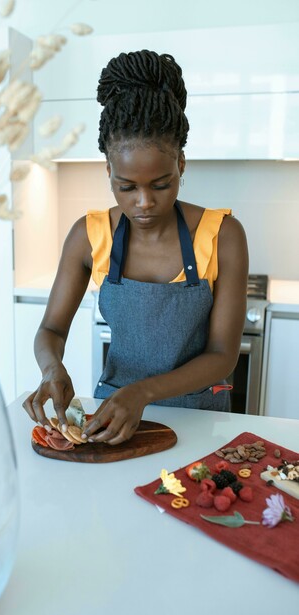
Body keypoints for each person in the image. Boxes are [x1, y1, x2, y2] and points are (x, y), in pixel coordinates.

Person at [24, 50, 248, 445]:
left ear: (181, 163)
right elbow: (52, 329)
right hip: (114, 420)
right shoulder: (89, 235)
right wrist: (50, 369)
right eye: (127, 187)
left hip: (199, 419)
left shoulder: (222, 235)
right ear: (109, 171)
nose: (144, 202)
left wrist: (142, 392)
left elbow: (222, 355)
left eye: (160, 185)